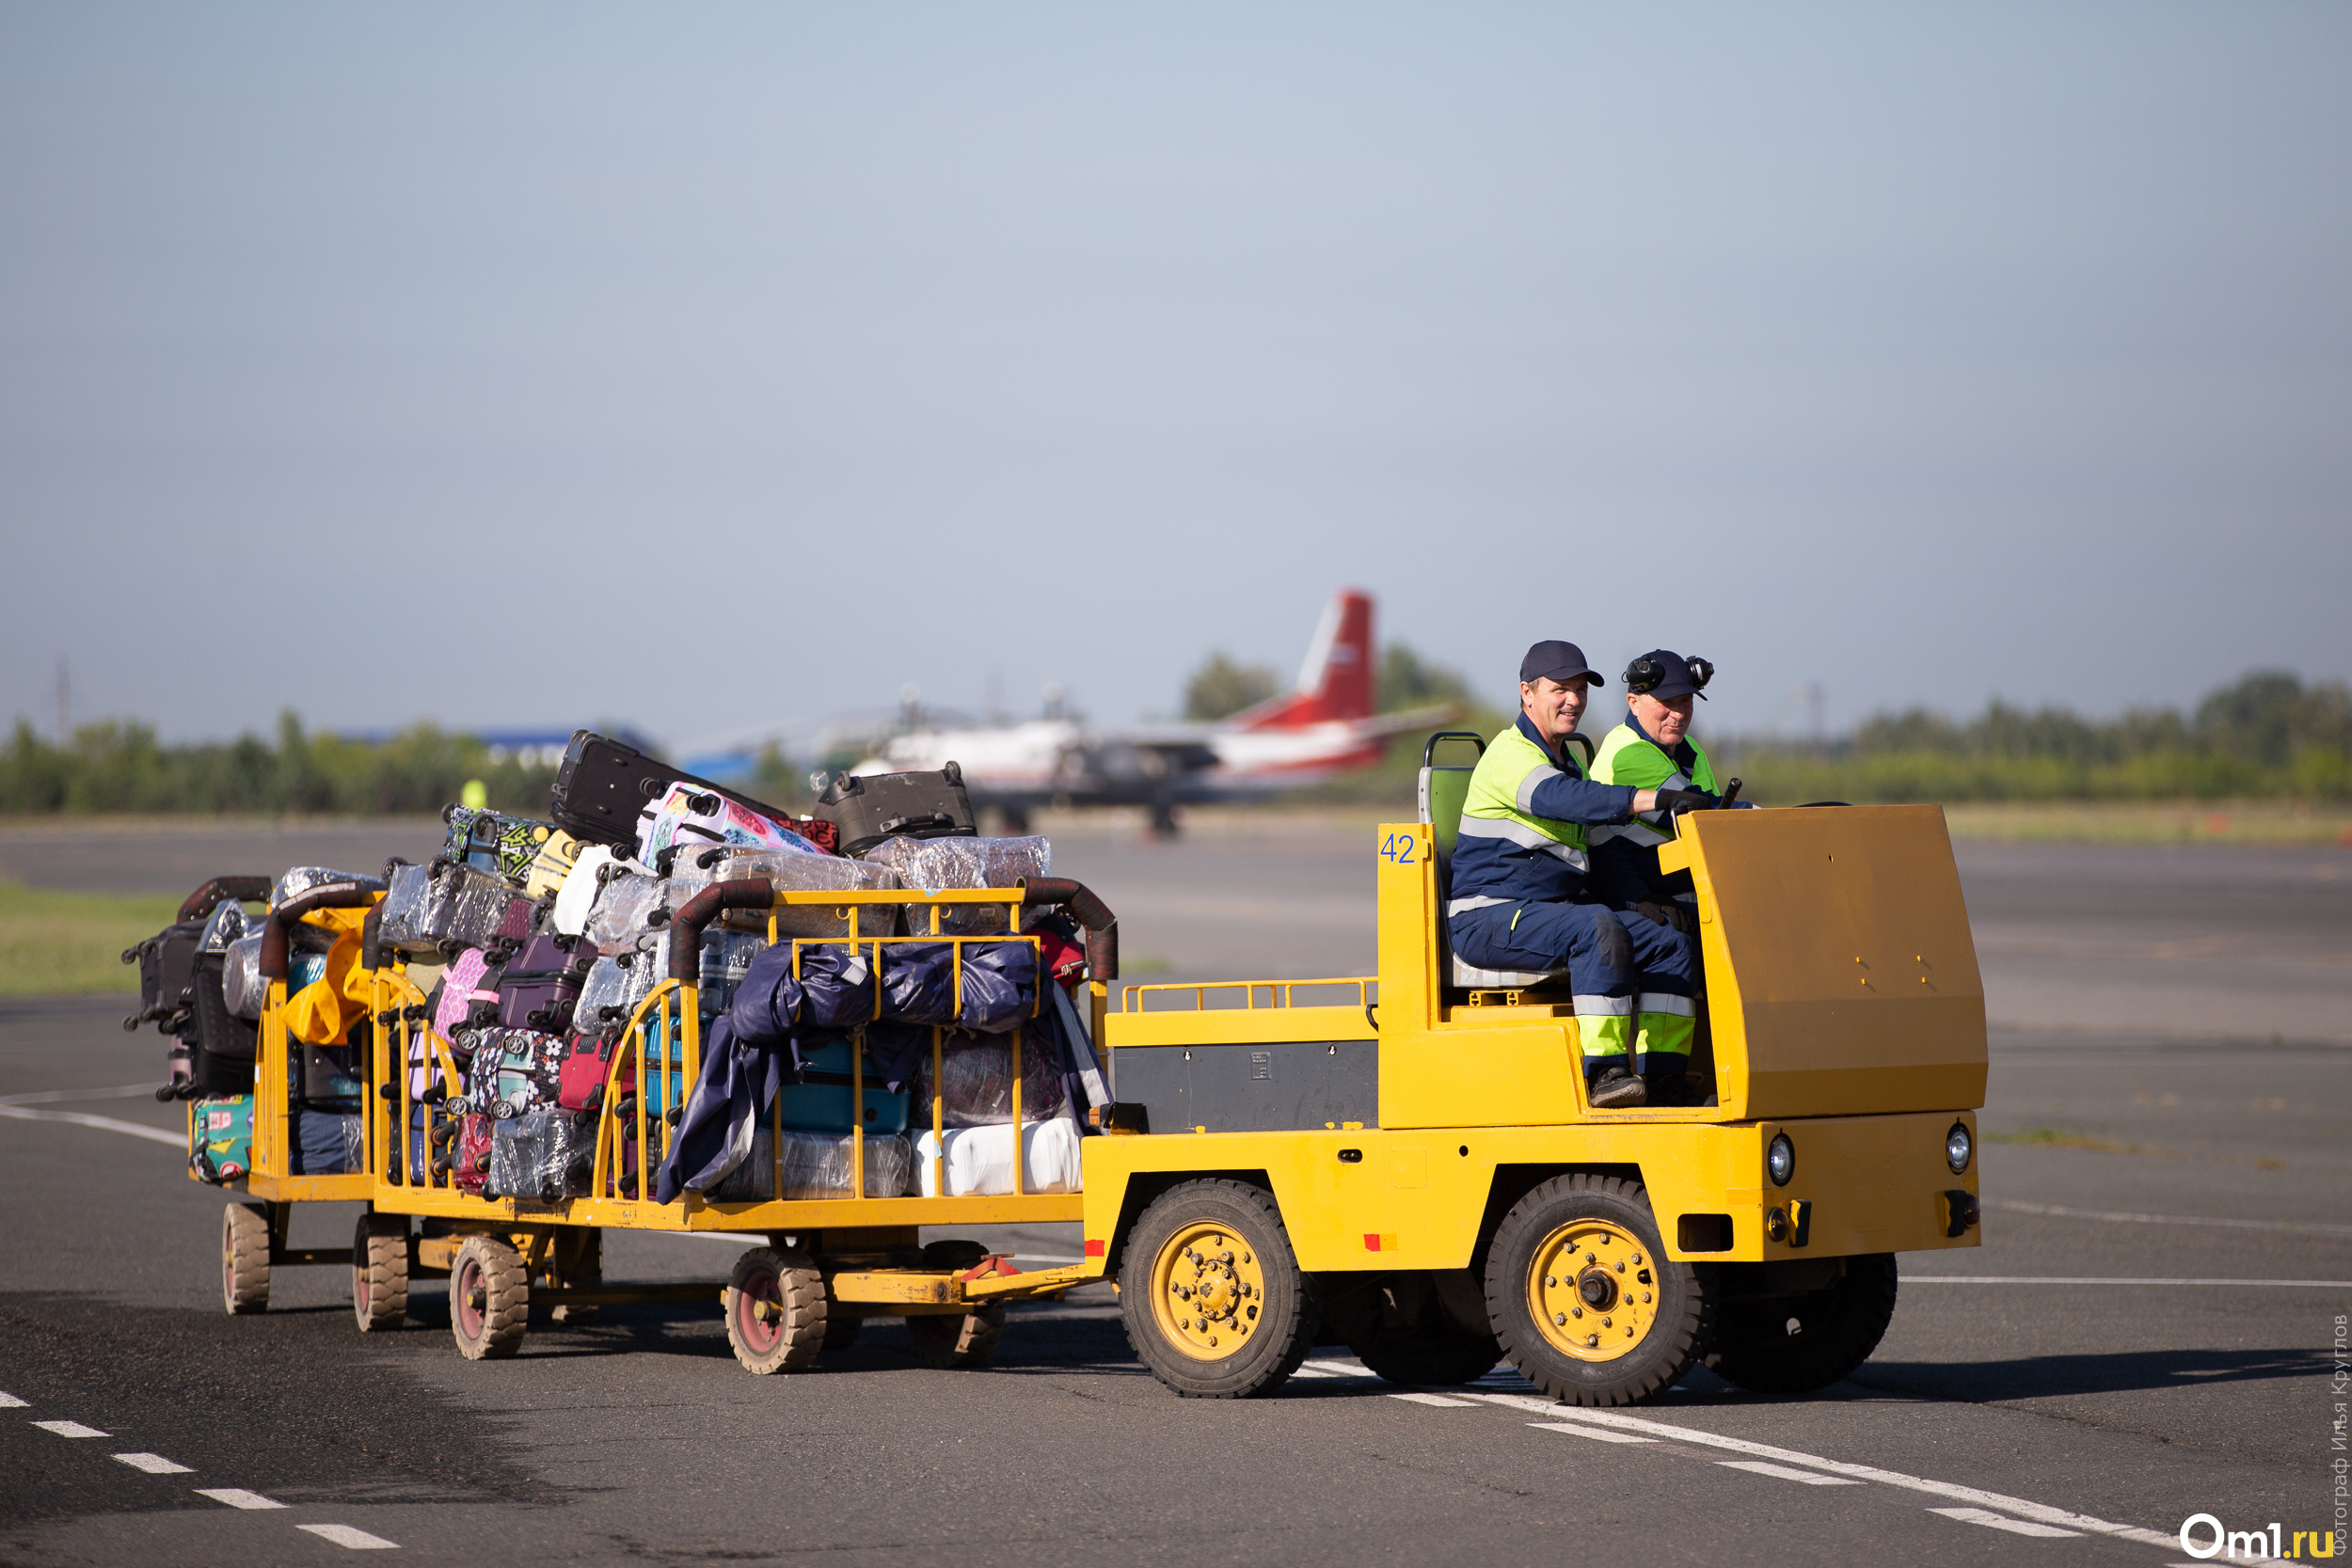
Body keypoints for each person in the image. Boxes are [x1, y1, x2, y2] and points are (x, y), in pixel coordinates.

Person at [1447, 641, 1712, 1109]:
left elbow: (1600, 845)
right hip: (1488, 916)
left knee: (1668, 940)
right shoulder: (1511, 756)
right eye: (1559, 689)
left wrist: (1637, 899)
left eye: (1579, 690)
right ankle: (1606, 1073)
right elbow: (1563, 801)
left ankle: (1665, 1079)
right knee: (1596, 927)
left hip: (1547, 912)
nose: (1573, 700)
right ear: (1527, 693)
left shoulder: (1567, 760)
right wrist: (1653, 798)